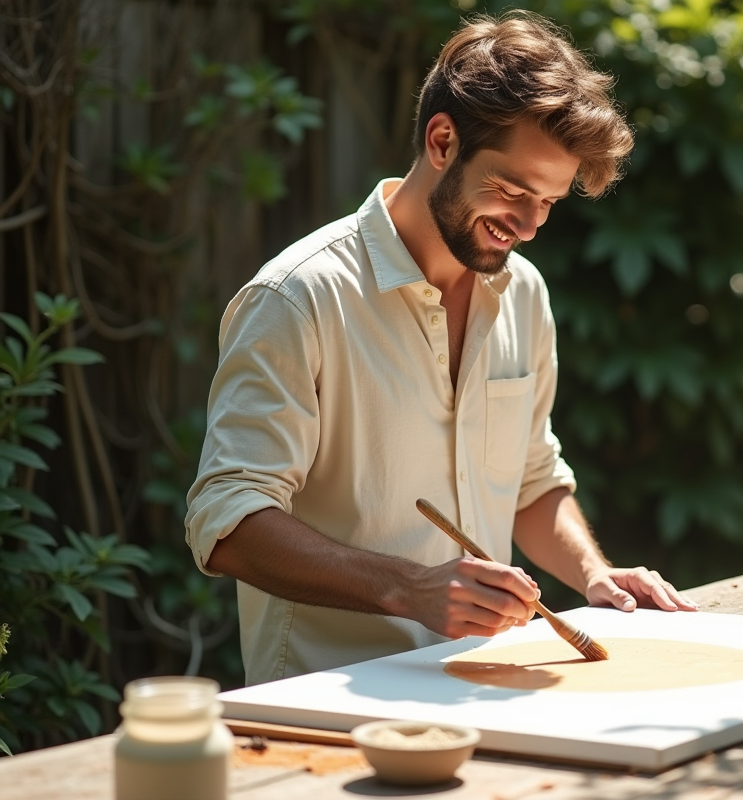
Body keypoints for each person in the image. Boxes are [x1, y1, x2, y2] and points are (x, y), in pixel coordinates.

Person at [184, 11, 696, 686]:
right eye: (513, 191)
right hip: (326, 715)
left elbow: (532, 480)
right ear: (443, 140)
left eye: (547, 202)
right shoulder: (296, 298)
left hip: (484, 687)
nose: (530, 226)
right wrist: (407, 587)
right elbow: (227, 520)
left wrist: (593, 574)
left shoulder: (524, 293)